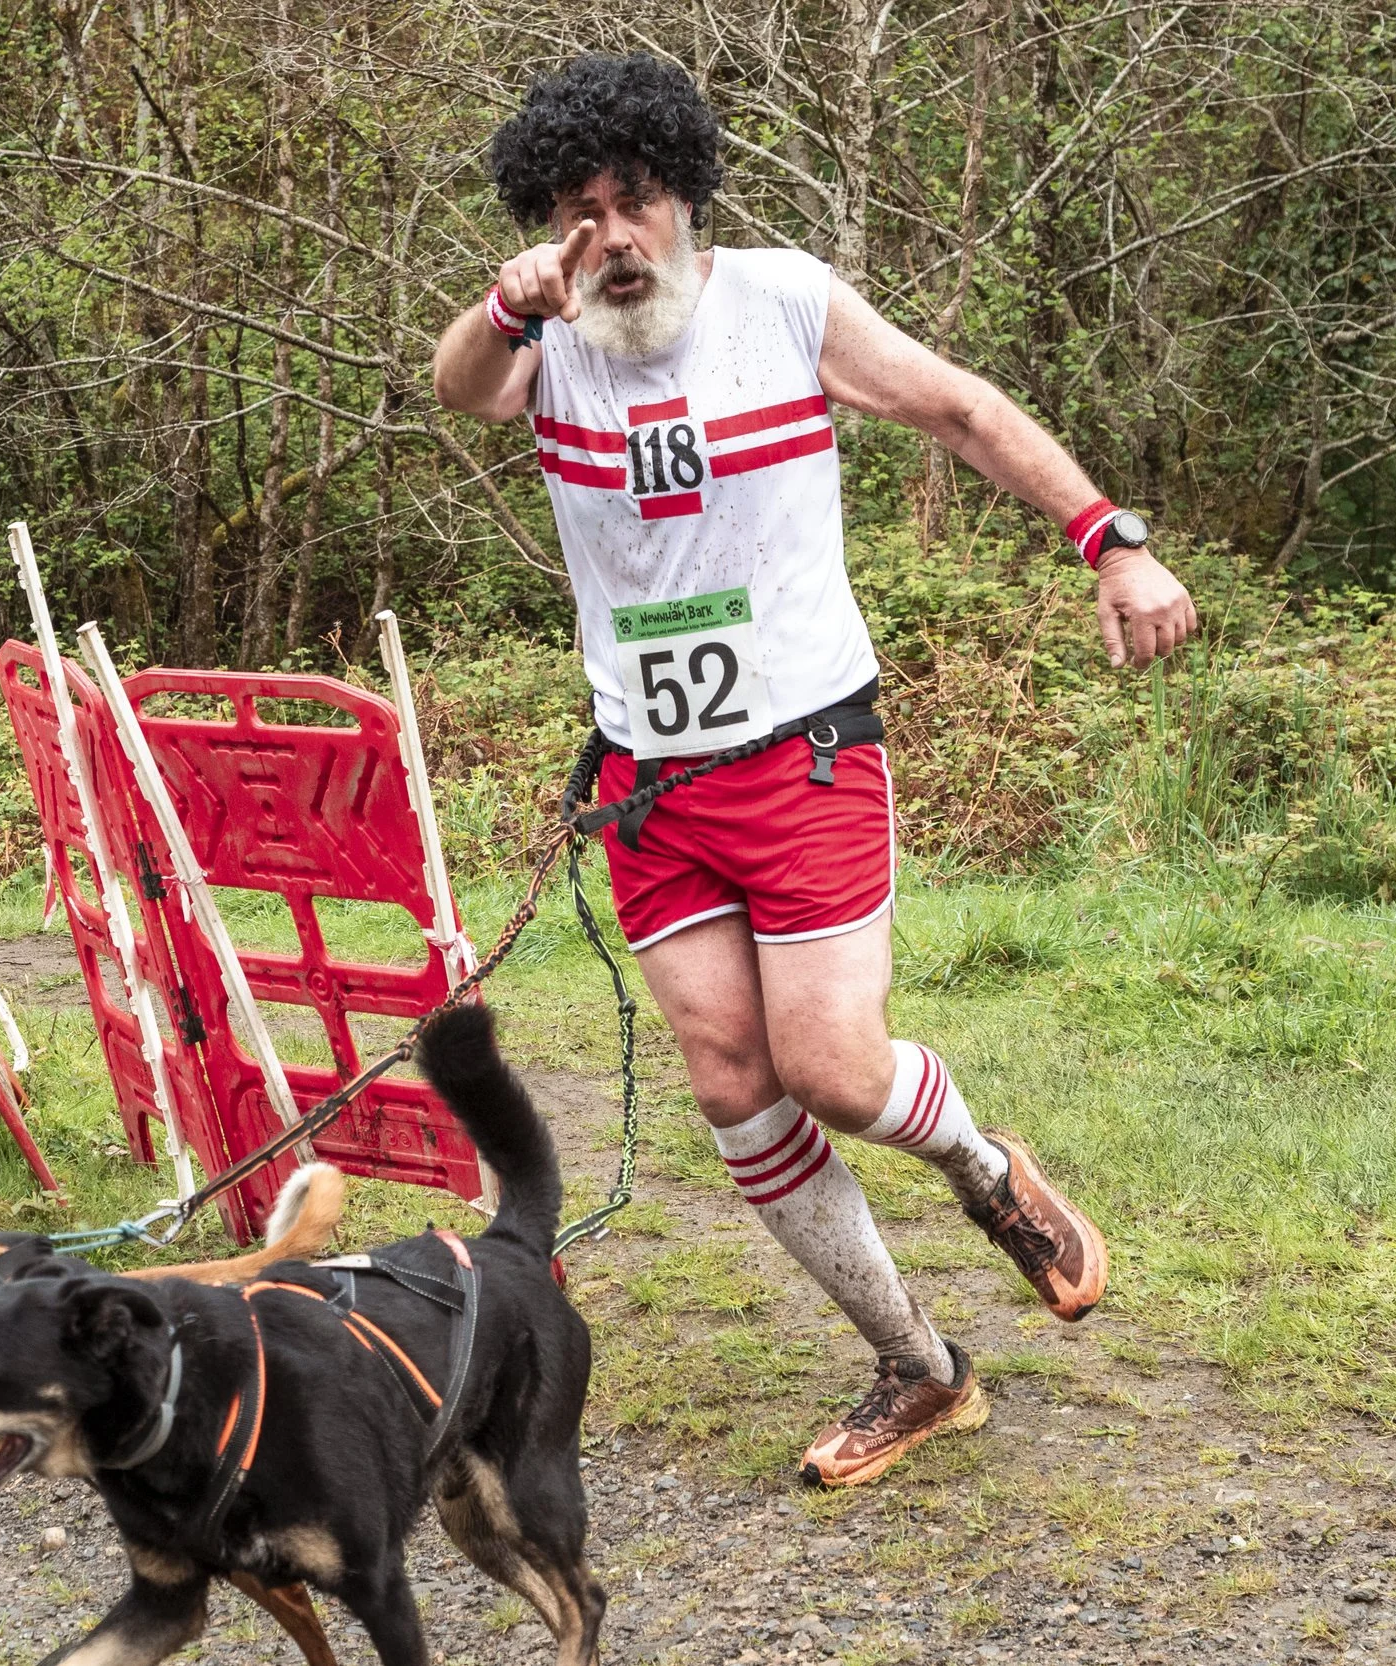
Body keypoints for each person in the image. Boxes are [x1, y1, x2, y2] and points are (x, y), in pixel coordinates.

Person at [432, 52, 1199, 1487]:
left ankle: (988, 1173)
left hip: (803, 751)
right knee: (733, 1081)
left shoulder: (780, 304)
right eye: (579, 211)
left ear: (685, 203)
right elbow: (454, 383)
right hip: (650, 784)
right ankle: (919, 1367)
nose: (613, 236)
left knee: (834, 1068)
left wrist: (1114, 536)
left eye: (636, 202)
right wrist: (502, 300)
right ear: (549, 228)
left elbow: (962, 409)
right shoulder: (548, 340)